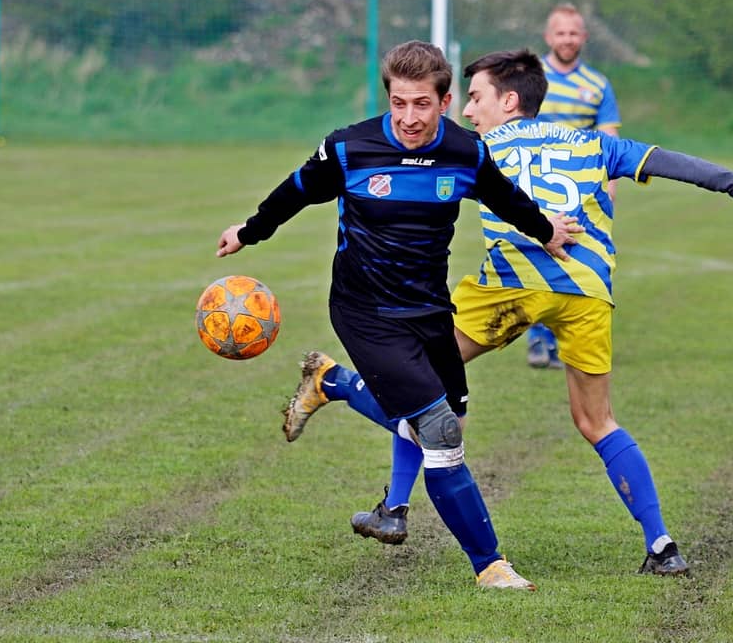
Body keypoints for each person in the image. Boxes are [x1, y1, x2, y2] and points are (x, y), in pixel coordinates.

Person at [285, 49, 733, 578]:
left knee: (422, 387)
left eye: (476, 98)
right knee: (597, 422)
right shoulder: (594, 143)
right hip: (584, 290)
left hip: (507, 287)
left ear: (509, 101)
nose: (468, 111)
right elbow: (675, 164)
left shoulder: (472, 148)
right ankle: (662, 545)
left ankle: (343, 402)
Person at [216, 41, 581, 591]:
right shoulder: (349, 148)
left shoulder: (466, 152)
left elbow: (505, 197)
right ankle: (490, 566)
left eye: (422, 104)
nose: (409, 117)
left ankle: (332, 383)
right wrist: (249, 231)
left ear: (445, 102)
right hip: (364, 310)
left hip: (429, 310)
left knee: (448, 426)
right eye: (399, 103)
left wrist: (546, 229)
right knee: (438, 430)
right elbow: (296, 191)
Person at [527, 3, 623, 369]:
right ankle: (539, 338)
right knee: (537, 256)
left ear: (583, 37)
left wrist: (610, 185)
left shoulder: (597, 85)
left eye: (573, 33)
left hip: (581, 187)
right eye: (561, 32)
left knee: (579, 261)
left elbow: (609, 139)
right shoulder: (531, 78)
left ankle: (568, 341)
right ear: (548, 37)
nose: (567, 39)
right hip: (536, 183)